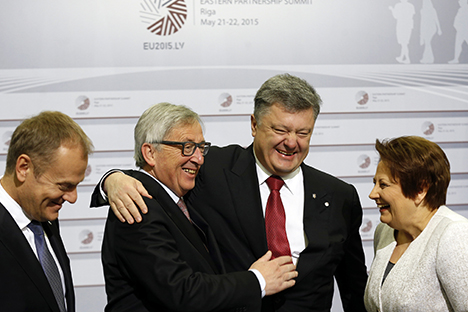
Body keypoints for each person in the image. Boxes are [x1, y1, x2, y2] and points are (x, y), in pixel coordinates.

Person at [91, 74, 368, 311]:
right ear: (254, 125)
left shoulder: (339, 195)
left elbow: (353, 286)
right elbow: (160, 169)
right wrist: (112, 180)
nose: (291, 143)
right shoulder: (211, 169)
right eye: (280, 129)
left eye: (303, 133)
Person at [99, 102, 297, 312]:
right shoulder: (136, 207)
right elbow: (182, 292)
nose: (199, 158)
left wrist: (110, 178)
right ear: (150, 153)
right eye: (187, 147)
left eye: (201, 148)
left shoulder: (180, 197)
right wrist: (257, 280)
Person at [0, 111, 93, 312]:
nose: (73, 197)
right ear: (24, 167)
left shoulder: (45, 218)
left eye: (76, 185)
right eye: (64, 186)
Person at [364, 136, 468, 311]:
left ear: (421, 189)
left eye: (383, 185)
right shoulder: (384, 232)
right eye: (375, 183)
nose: (373, 194)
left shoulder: (453, 234)